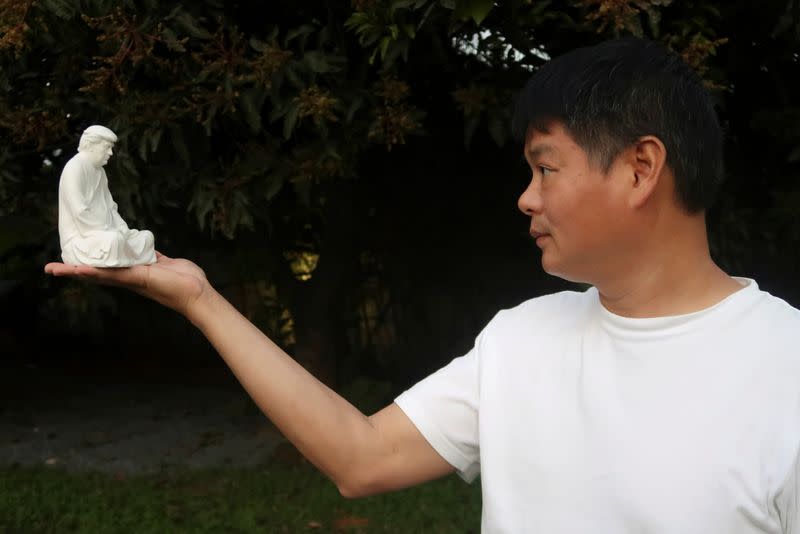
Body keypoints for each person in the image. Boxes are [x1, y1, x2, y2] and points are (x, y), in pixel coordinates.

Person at [45, 38, 800, 533]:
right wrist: (198, 298)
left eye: (545, 167)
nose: (526, 198)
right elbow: (362, 457)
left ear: (639, 168)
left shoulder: (783, 370)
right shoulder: (520, 340)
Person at [58, 125, 156, 267]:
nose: (110, 153)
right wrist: (106, 230)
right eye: (106, 147)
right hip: (84, 235)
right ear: (90, 145)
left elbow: (110, 207)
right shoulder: (74, 168)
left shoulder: (100, 172)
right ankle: (122, 253)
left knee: (146, 237)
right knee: (114, 240)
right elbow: (80, 211)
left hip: (106, 231)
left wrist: (122, 228)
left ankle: (125, 253)